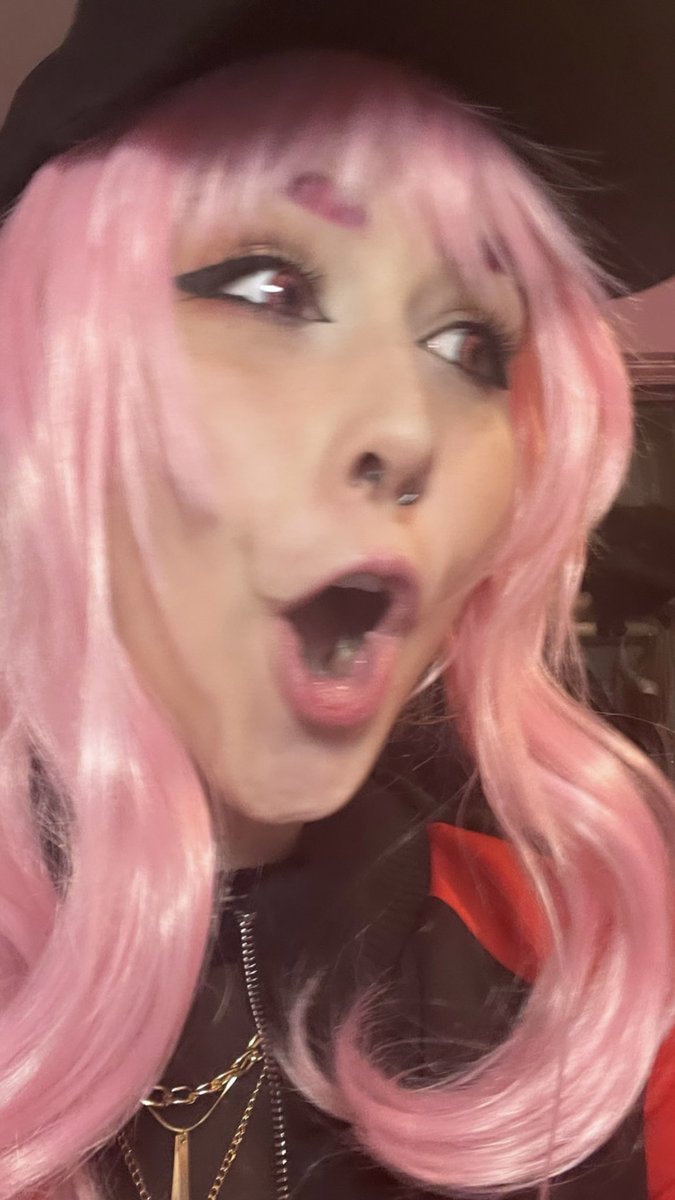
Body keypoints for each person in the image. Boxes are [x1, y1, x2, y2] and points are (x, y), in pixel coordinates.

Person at [0, 5, 674, 1200]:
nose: (409, 429)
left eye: (472, 347)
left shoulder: (564, 977)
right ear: (54, 371)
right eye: (270, 287)